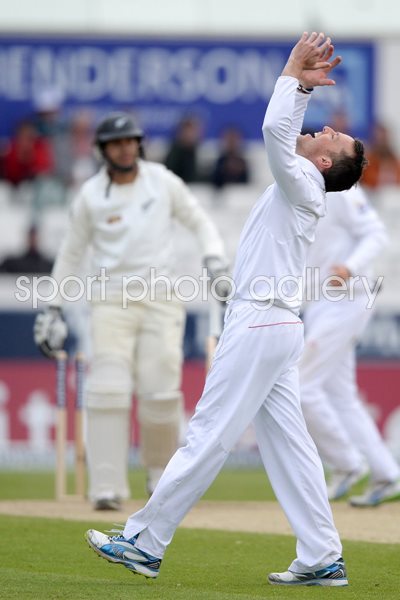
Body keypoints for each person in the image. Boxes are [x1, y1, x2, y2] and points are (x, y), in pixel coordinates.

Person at [85, 32, 366, 586]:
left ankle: (145, 542)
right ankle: (321, 555)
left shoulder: (305, 179)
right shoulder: (302, 181)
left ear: (327, 159)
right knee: (291, 447)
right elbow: (283, 133)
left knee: (209, 432)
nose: (323, 130)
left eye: (332, 134)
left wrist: (292, 74)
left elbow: (272, 130)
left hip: (261, 320)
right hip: (276, 324)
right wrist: (301, 91)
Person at [33, 111, 229, 510]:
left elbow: (199, 220)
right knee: (107, 390)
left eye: (130, 141)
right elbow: (71, 253)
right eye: (116, 143)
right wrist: (52, 307)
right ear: (103, 150)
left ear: (139, 144)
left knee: (160, 390)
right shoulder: (90, 195)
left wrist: (215, 260)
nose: (125, 148)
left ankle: (159, 474)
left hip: (162, 297)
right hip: (109, 300)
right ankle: (106, 485)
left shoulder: (162, 181)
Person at [299, 185, 400, 505]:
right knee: (341, 396)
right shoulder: (301, 191)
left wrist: (350, 267)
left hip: (346, 298)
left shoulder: (340, 189)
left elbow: (377, 234)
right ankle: (386, 475)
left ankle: (346, 463)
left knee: (301, 387)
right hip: (319, 302)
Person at [164, 116, 202, 183]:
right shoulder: (175, 153)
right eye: (188, 131)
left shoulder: (198, 150)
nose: (190, 134)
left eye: (194, 131)